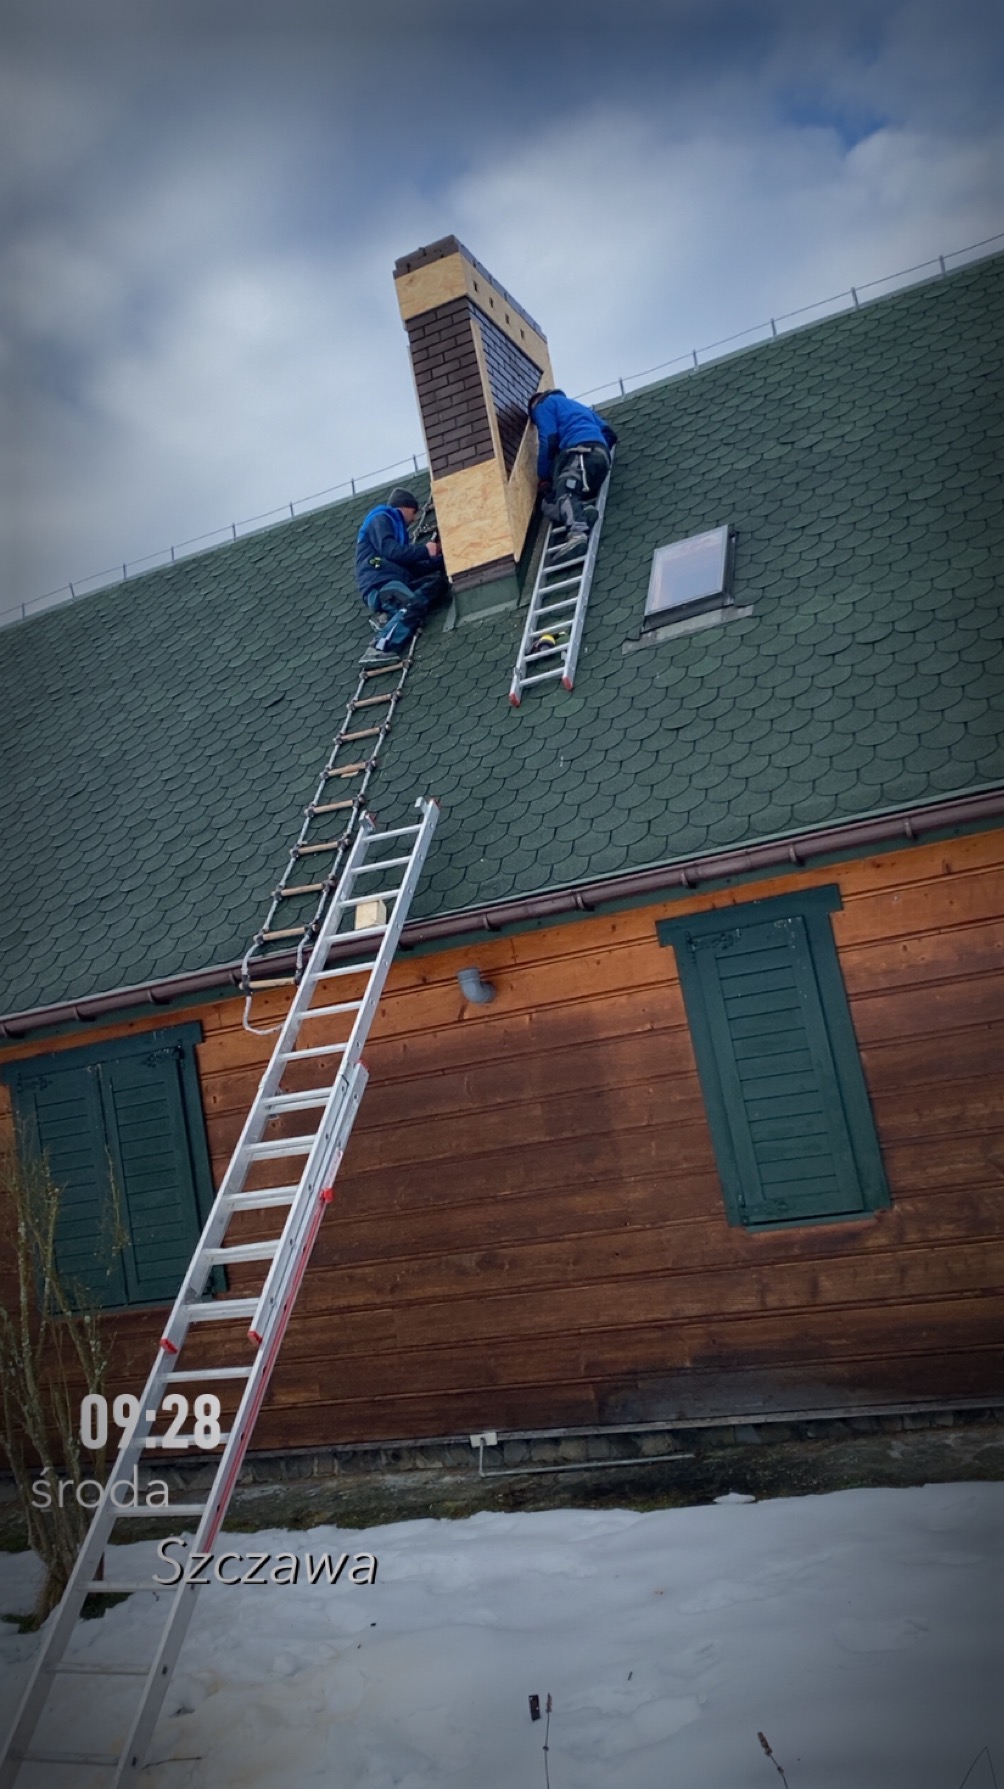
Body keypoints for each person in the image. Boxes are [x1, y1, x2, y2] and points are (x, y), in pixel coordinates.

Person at [355, 487, 447, 663]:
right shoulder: (380, 519)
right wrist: (425, 550)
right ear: (404, 507)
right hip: (380, 583)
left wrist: (442, 560)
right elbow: (391, 551)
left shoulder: (397, 534)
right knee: (411, 604)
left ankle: (393, 616)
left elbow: (411, 568)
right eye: (413, 513)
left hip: (396, 582)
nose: (413, 520)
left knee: (436, 583)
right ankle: (379, 647)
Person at [528, 390, 617, 560]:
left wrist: (543, 475)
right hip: (600, 460)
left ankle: (577, 534)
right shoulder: (579, 407)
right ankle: (582, 514)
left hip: (580, 453)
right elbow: (609, 434)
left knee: (565, 491)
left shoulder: (543, 405)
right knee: (551, 503)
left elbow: (549, 439)